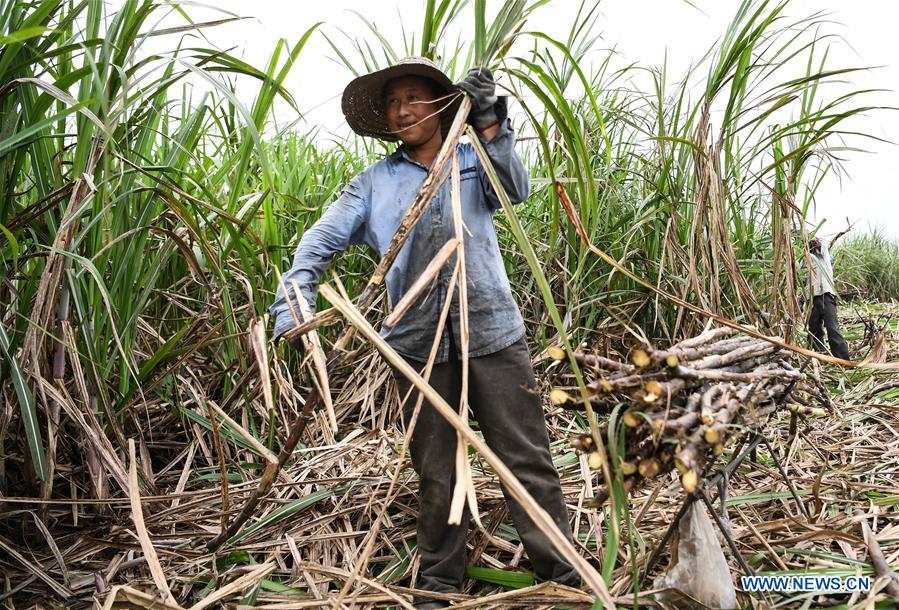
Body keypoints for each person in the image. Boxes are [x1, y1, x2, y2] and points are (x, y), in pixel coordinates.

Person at [269, 57, 580, 608]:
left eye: (414, 97)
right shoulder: (373, 183)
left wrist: (489, 120)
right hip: (416, 344)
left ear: (440, 104)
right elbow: (316, 246)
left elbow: (516, 189)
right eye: (393, 103)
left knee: (526, 458)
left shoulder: (474, 159)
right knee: (437, 471)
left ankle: (562, 572)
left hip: (492, 333)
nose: (403, 110)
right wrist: (294, 304)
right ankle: (439, 584)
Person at [807, 237, 850, 359]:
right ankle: (818, 355)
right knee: (814, 328)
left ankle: (843, 359)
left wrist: (809, 237)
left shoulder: (822, 252)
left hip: (827, 294)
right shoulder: (806, 258)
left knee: (832, 327)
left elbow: (818, 243)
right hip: (813, 296)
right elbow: (806, 280)